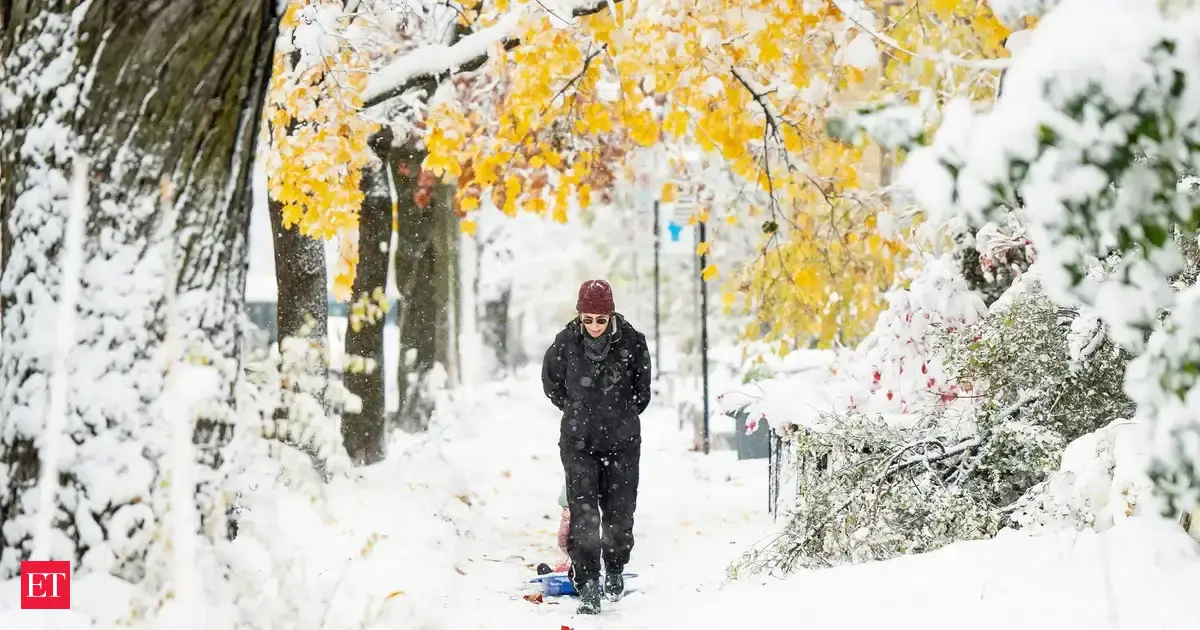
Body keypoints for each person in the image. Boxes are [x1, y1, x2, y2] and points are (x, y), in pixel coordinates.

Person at [541, 279, 652, 614]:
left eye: (600, 319)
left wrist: (618, 413)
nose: (593, 326)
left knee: (619, 514)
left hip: (622, 442)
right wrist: (579, 410)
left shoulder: (633, 342)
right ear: (579, 316)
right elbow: (552, 384)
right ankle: (588, 583)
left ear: (611, 315)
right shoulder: (564, 343)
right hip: (579, 443)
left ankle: (615, 566)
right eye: (587, 319)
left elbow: (642, 391)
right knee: (584, 514)